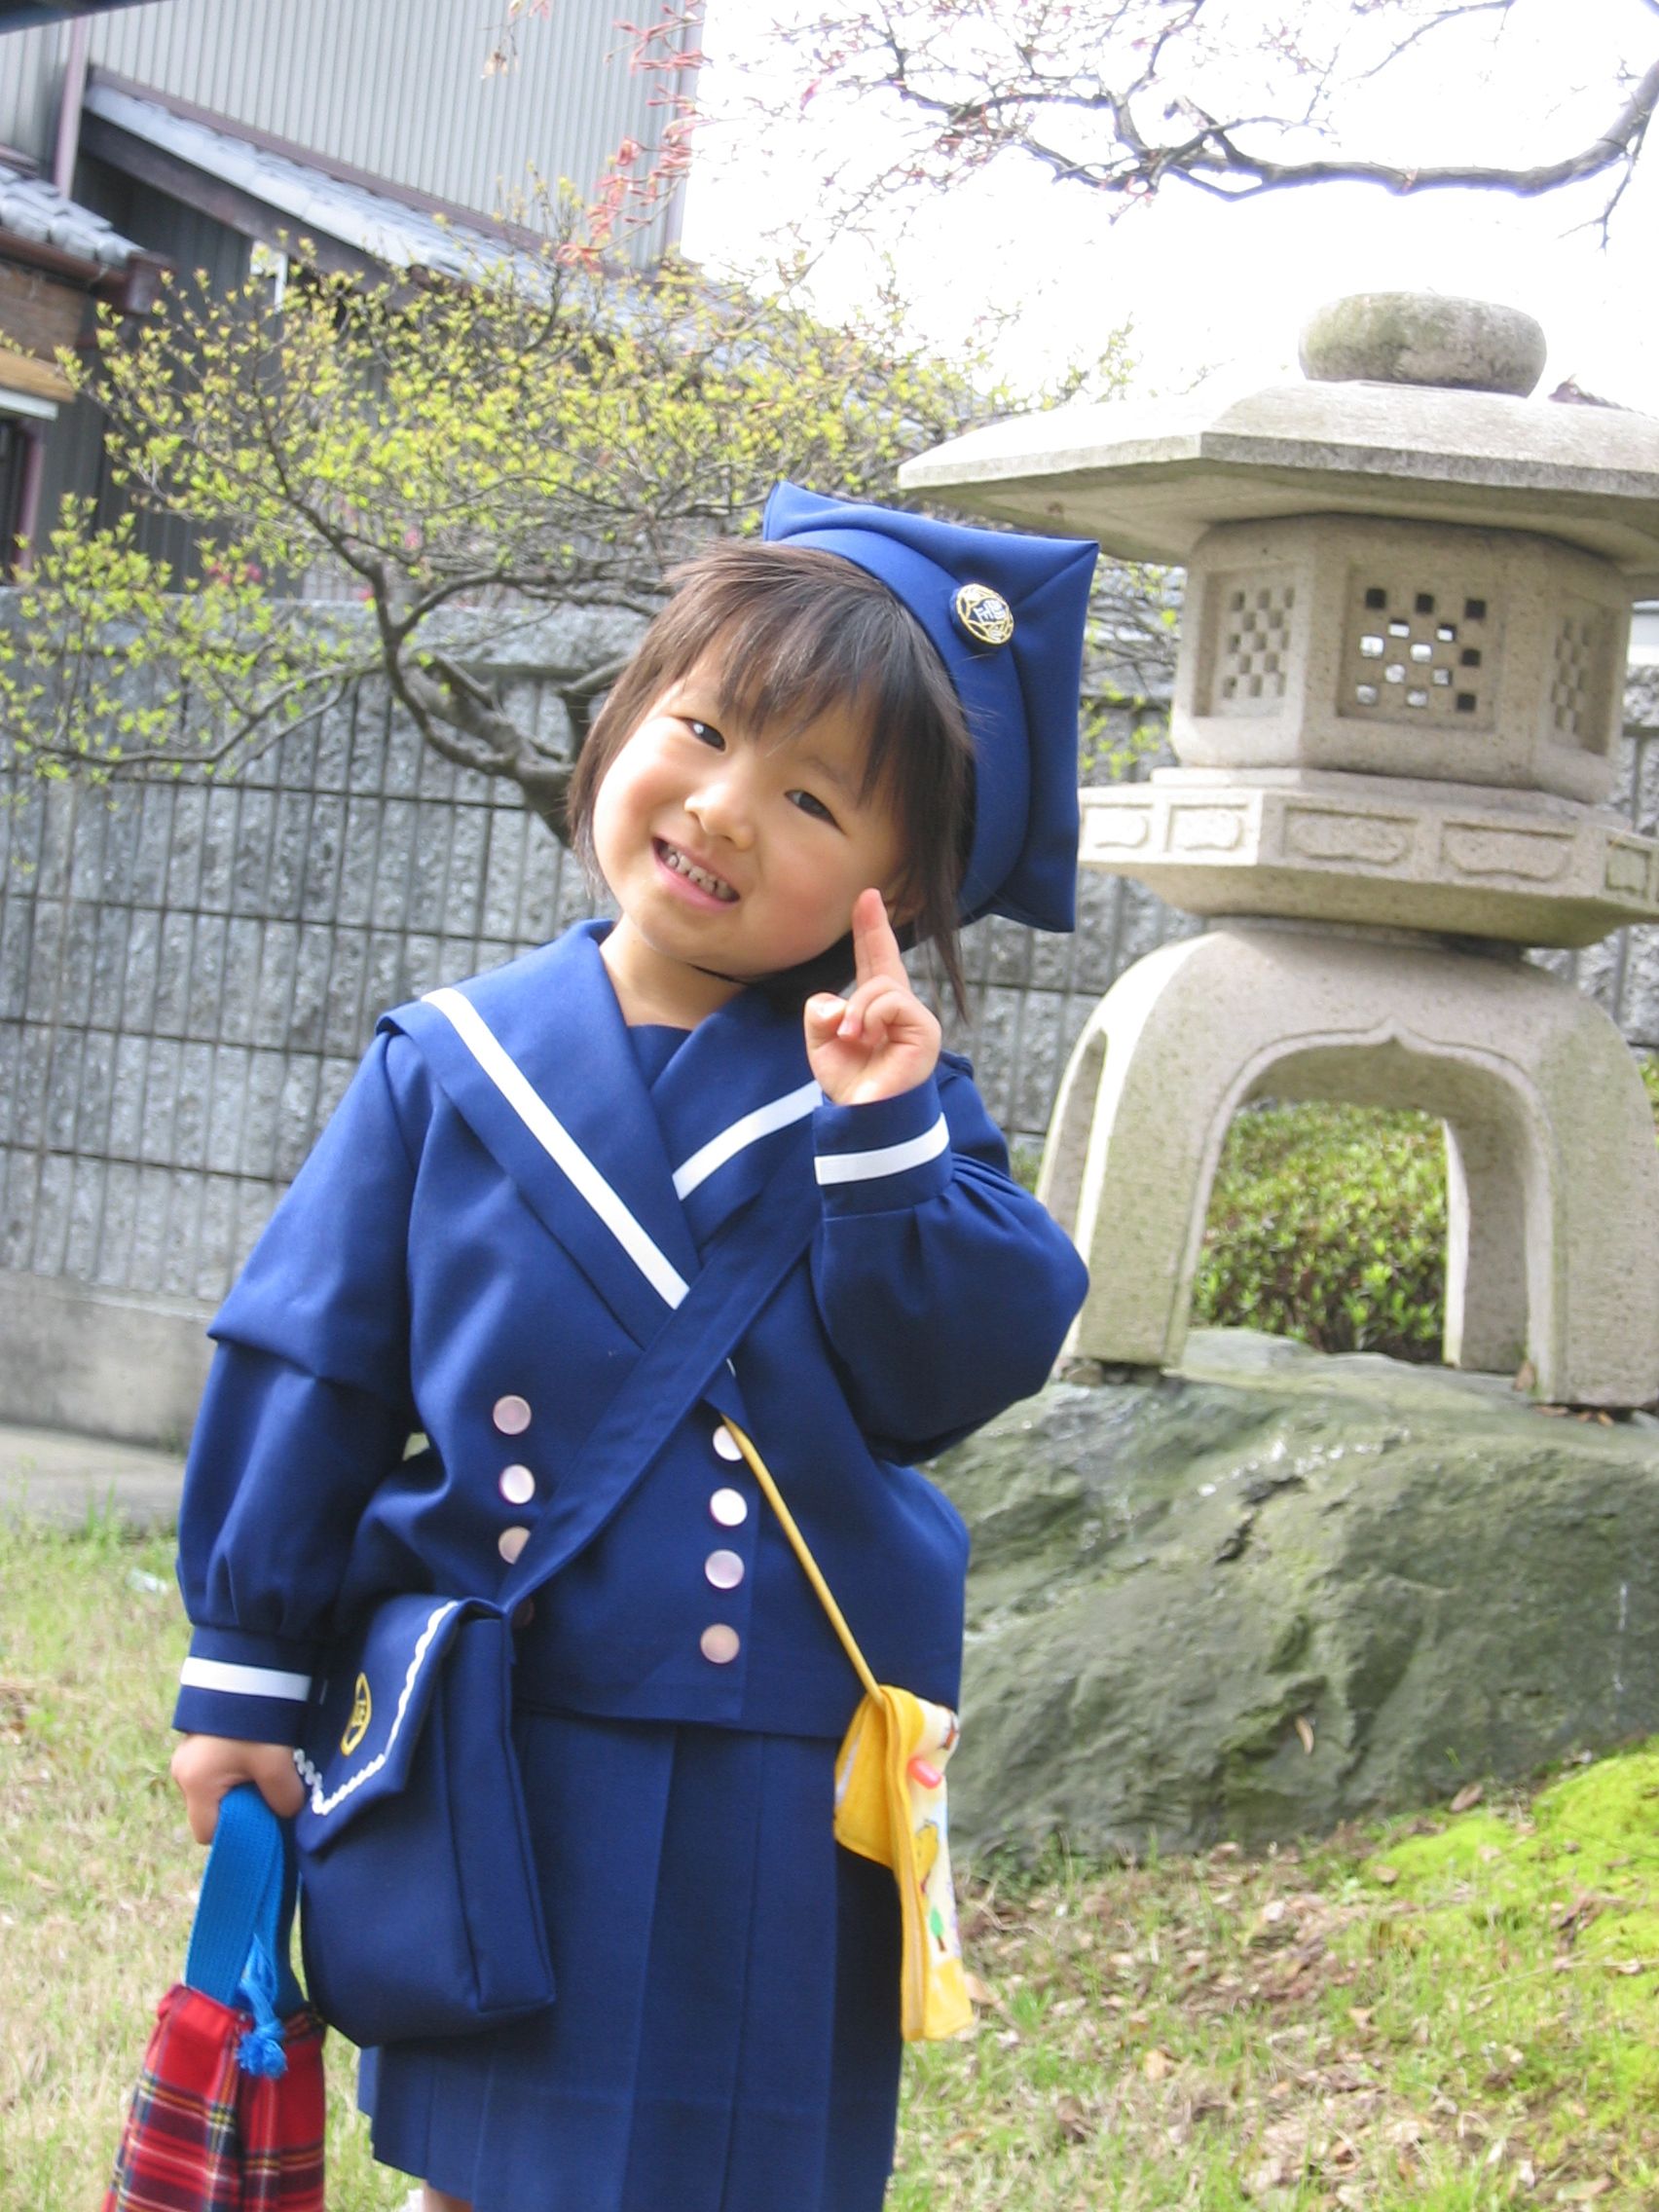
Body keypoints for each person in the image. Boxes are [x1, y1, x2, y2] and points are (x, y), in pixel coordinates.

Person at [167, 483, 1098, 2212]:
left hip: (782, 1754)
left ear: (893, 884)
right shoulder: (448, 1064)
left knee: (743, 2164)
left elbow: (950, 1372)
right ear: (625, 720)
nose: (726, 810)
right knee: (490, 2157)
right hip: (509, 1734)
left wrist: (885, 1135)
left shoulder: (888, 1103)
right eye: (705, 729)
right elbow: (315, 1367)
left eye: (813, 798)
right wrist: (247, 1668)